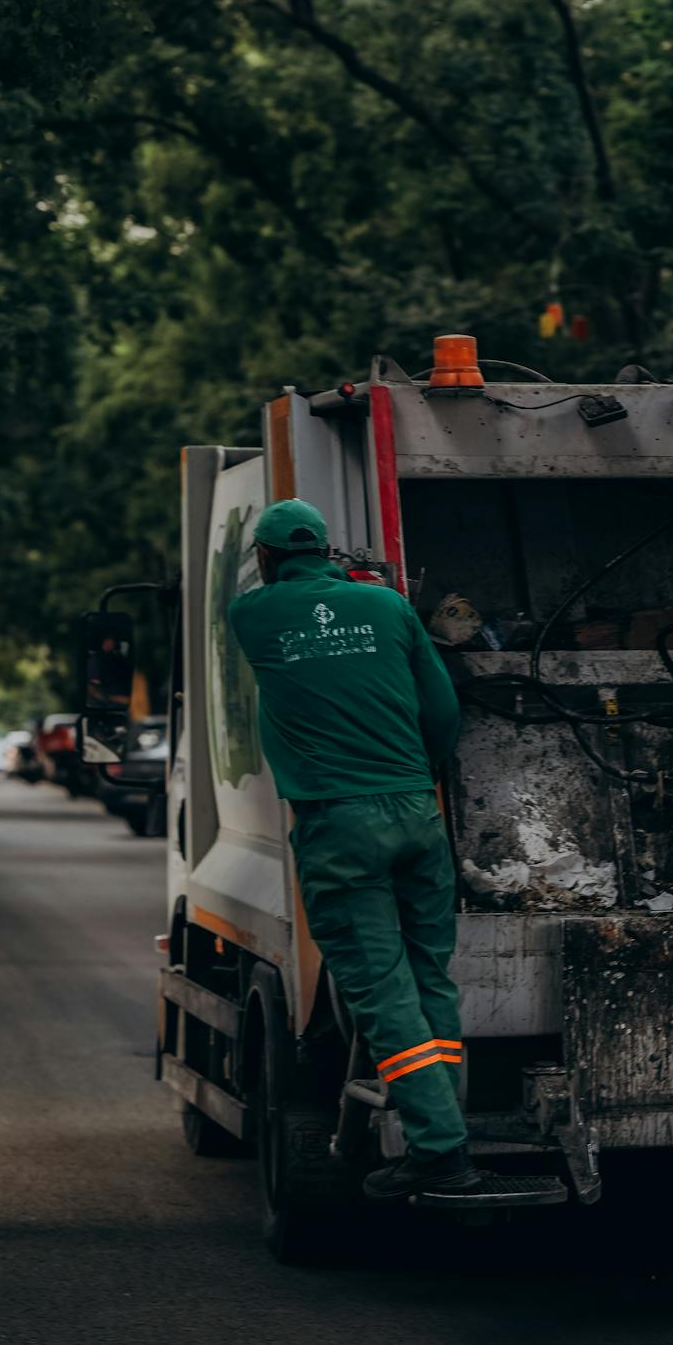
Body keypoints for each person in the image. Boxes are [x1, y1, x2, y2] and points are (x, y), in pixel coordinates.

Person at [229, 497, 481, 1201]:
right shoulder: (393, 609)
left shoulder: (253, 615)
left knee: (381, 988)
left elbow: (284, 609)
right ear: (330, 552)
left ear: (268, 558)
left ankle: (440, 1149)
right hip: (415, 811)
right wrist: (416, 774)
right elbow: (442, 709)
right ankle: (443, 1118)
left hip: (341, 825)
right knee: (430, 976)